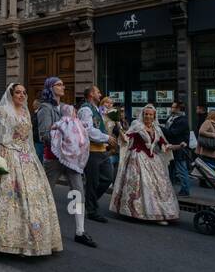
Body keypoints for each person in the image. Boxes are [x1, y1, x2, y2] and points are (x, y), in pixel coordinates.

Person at [0, 83, 62, 256]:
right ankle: (2, 239)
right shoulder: (3, 111)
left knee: (33, 199)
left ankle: (30, 240)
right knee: (6, 200)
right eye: (18, 92)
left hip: (26, 157)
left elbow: (29, 139)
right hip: (6, 154)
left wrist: (33, 157)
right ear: (11, 94)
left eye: (24, 92)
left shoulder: (25, 113)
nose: (22, 95)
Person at [35, 76, 96, 247]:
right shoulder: (45, 109)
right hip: (54, 158)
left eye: (63, 84)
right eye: (59, 84)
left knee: (77, 192)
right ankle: (38, 226)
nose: (63, 87)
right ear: (50, 87)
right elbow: (44, 135)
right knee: (46, 192)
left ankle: (80, 231)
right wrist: (65, 136)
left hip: (72, 159)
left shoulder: (66, 107)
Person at [111, 105, 180, 224]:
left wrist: (179, 146)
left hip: (153, 159)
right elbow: (126, 139)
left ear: (154, 116)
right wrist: (118, 124)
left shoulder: (157, 129)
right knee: (143, 185)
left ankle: (159, 213)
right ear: (143, 115)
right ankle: (140, 212)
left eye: (150, 114)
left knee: (160, 187)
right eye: (146, 114)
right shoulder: (137, 126)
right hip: (138, 158)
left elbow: (164, 146)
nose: (148, 116)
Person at [77, 87, 114, 223]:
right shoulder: (86, 109)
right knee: (93, 181)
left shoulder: (96, 109)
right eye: (98, 92)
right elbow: (87, 130)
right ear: (92, 94)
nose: (100, 94)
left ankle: (88, 201)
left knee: (108, 178)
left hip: (101, 150)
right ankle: (92, 210)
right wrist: (106, 137)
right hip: (91, 150)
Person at [161, 101, 191, 197]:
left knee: (181, 169)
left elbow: (173, 133)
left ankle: (185, 190)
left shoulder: (182, 120)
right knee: (170, 168)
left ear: (178, 109)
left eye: (173, 107)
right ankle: (169, 188)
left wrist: (159, 128)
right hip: (170, 147)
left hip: (179, 148)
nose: (171, 109)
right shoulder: (171, 118)